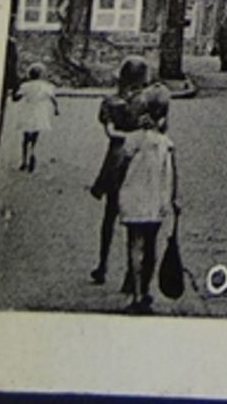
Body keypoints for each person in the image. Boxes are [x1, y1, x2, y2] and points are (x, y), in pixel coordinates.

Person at [90, 57, 155, 285]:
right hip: (139, 158)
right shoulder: (147, 101)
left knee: (111, 213)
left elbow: (108, 130)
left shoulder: (110, 101)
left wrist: (119, 134)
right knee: (135, 215)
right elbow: (157, 129)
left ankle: (102, 265)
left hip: (116, 159)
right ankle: (131, 271)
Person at [118, 107, 178, 315]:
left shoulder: (131, 140)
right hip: (155, 199)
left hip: (132, 197)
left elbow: (121, 166)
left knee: (134, 245)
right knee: (151, 247)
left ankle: (135, 293)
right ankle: (146, 289)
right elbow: (169, 176)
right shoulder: (166, 144)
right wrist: (169, 201)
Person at [13, 66, 57, 173]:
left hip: (28, 110)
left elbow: (16, 98)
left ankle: (24, 161)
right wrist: (56, 109)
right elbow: (53, 98)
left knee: (25, 137)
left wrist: (16, 89)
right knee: (35, 135)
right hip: (39, 111)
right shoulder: (46, 86)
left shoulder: (25, 86)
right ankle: (32, 152)